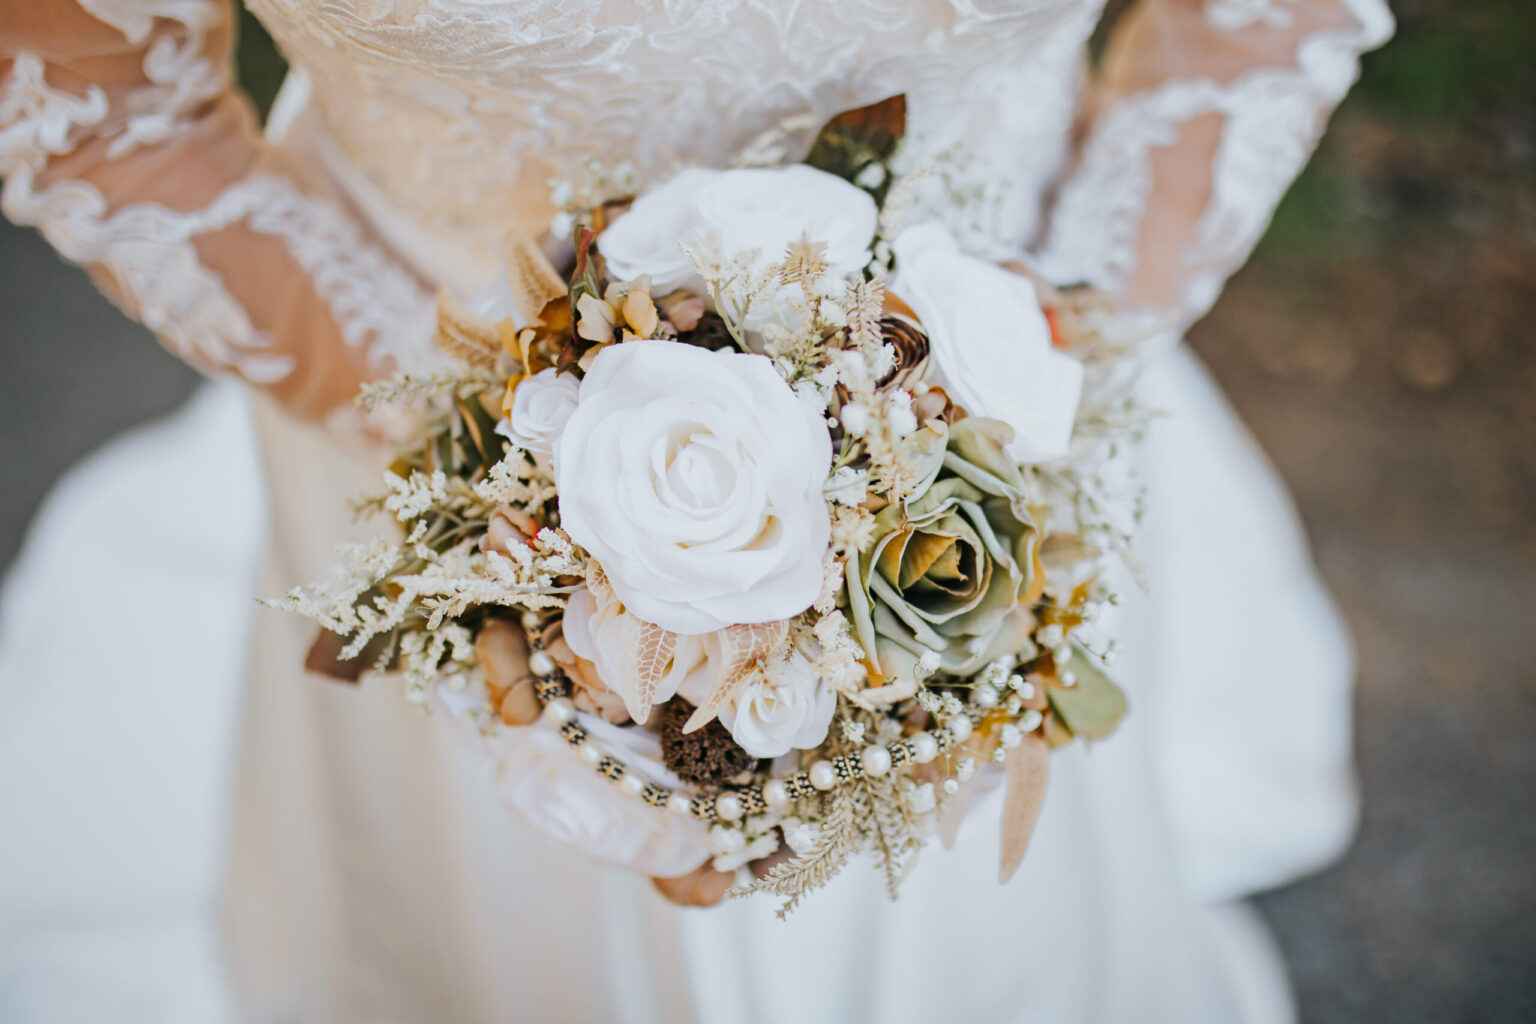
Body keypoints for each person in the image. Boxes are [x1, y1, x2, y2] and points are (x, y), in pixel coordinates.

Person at [0, 2, 1390, 1020]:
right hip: (418, 415)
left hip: (999, 417)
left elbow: (1259, 24)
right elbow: (95, 102)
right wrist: (475, 457)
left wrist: (1038, 362)